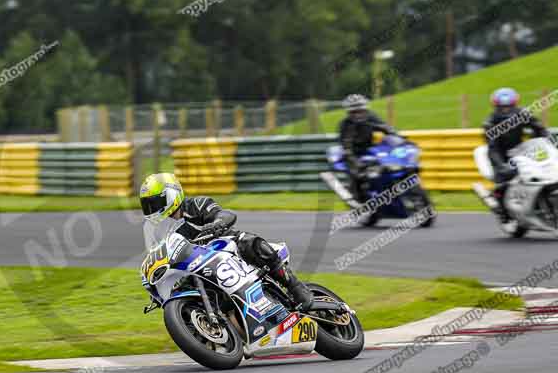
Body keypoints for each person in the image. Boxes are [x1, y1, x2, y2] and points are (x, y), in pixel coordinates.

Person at [139, 173, 313, 311]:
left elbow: (225, 214)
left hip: (225, 249)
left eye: (154, 202)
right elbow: (159, 251)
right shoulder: (160, 230)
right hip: (198, 267)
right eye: (147, 205)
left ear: (171, 194)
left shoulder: (196, 205)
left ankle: (296, 287)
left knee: (248, 242)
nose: (152, 209)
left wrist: (216, 224)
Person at [483, 87, 549, 221]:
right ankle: (500, 206)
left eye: (509, 107)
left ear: (515, 105)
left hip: (522, 150)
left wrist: (545, 142)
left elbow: (540, 129)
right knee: (504, 177)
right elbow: (492, 145)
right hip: (500, 153)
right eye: (502, 107)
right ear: (496, 106)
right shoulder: (490, 121)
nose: (506, 110)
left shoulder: (523, 114)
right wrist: (500, 165)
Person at [338, 94, 397, 203]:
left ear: (365, 109)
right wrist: (353, 159)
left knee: (388, 165)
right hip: (353, 153)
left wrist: (395, 135)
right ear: (349, 112)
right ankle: (356, 197)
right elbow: (345, 145)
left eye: (360, 110)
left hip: (370, 149)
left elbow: (384, 127)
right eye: (354, 112)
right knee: (358, 172)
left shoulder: (371, 117)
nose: (358, 114)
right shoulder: (345, 124)